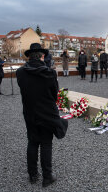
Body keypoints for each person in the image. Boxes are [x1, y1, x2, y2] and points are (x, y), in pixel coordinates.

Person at [16, 43, 68, 187]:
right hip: (46, 112)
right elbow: (54, 94)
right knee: (46, 143)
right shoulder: (49, 73)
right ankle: (47, 176)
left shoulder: (20, 72)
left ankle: (32, 175)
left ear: (29, 56)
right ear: (42, 56)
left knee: (32, 142)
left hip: (30, 112)